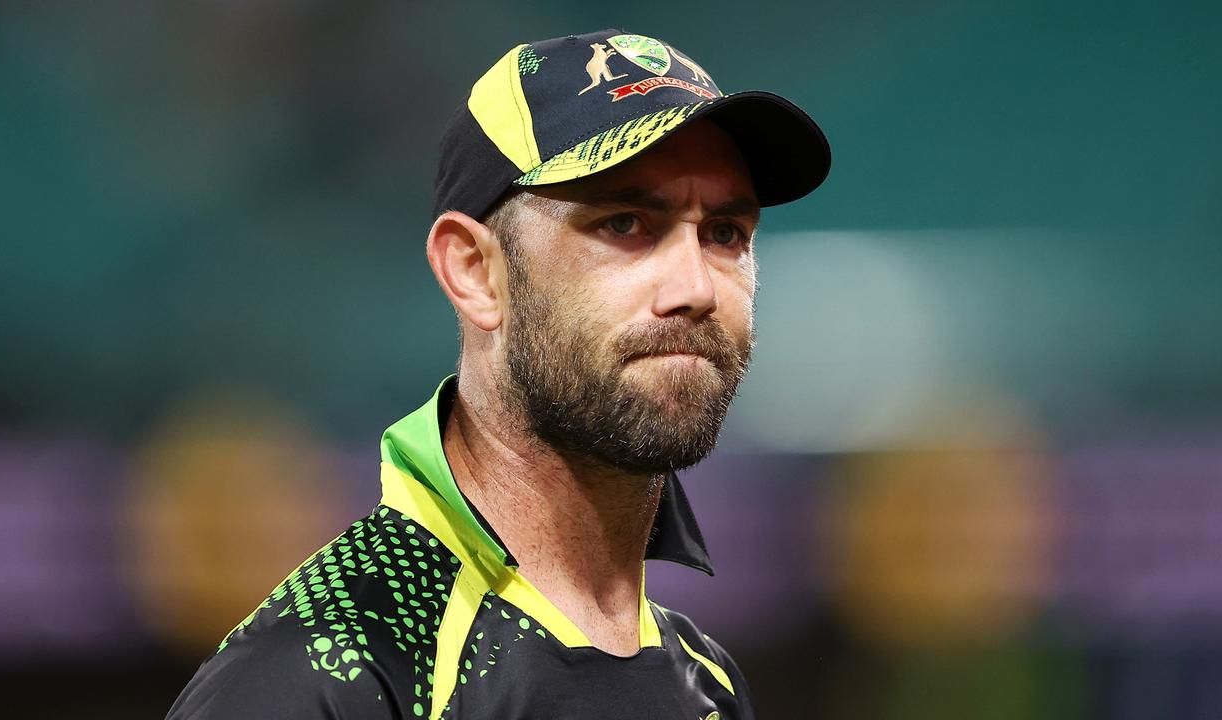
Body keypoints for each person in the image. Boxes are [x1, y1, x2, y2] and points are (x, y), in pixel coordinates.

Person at [166, 28, 829, 719]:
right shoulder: (329, 672)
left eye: (725, 233)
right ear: (475, 271)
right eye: (626, 222)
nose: (695, 286)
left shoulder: (709, 682)